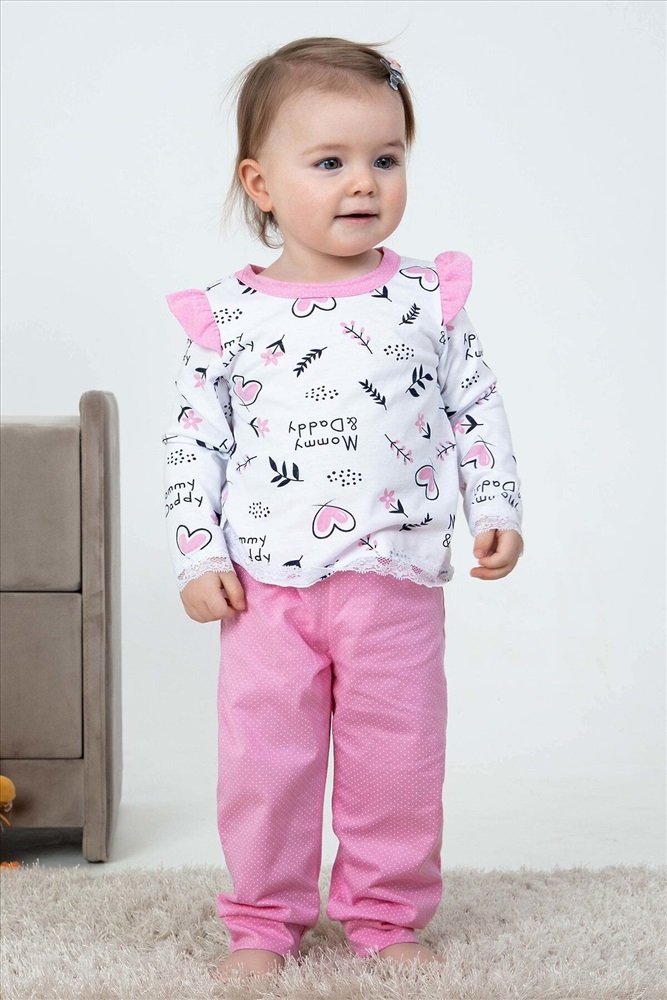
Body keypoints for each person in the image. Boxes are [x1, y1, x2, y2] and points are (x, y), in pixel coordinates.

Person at [163, 36, 523, 980]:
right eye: (329, 162)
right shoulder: (226, 318)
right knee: (264, 764)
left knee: (396, 761)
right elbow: (195, 445)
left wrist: (494, 503)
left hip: (393, 580)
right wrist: (198, 556)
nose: (363, 182)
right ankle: (262, 921)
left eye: (385, 158)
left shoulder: (424, 301)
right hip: (263, 589)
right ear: (261, 183)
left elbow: (474, 409)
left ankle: (385, 916)